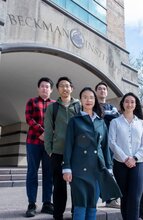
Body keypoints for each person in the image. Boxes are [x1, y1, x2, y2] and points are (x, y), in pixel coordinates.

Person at [62, 87, 121, 220]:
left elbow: (105, 147)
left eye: (91, 97)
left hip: (97, 169)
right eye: (85, 97)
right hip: (78, 169)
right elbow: (68, 145)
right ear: (80, 100)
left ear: (95, 100)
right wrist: (66, 167)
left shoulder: (101, 122)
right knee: (80, 204)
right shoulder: (75, 121)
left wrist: (109, 167)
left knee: (92, 205)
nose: (88, 100)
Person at [108, 92, 143, 220]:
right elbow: (112, 142)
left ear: (136, 104)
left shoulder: (142, 123)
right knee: (125, 196)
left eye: (132, 102)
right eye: (127, 101)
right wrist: (125, 158)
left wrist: (135, 158)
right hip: (120, 163)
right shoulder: (115, 122)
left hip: (138, 163)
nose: (129, 104)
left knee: (135, 197)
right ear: (122, 104)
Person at [44, 76, 81, 220]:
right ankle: (58, 214)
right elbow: (48, 131)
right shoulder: (52, 107)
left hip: (76, 153)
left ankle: (75, 213)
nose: (65, 88)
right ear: (58, 89)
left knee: (76, 185)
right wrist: (49, 150)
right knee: (59, 186)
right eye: (61, 86)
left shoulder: (78, 106)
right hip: (58, 152)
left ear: (72, 88)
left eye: (67, 86)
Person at [25, 77, 54, 218]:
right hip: (33, 142)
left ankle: (47, 203)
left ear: (51, 90)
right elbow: (29, 118)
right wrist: (41, 132)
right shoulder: (32, 102)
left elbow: (58, 123)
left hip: (49, 145)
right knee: (32, 172)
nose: (44, 88)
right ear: (38, 88)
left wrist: (48, 135)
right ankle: (31, 204)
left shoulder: (55, 104)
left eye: (47, 86)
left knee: (49, 173)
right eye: (42, 86)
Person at [95, 81, 120, 209]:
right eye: (99, 89)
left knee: (110, 171)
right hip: (94, 144)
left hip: (109, 144)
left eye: (104, 89)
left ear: (107, 92)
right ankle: (94, 198)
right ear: (96, 91)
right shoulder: (92, 105)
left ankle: (111, 199)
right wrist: (106, 116)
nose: (102, 91)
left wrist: (104, 115)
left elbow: (116, 118)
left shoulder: (112, 107)